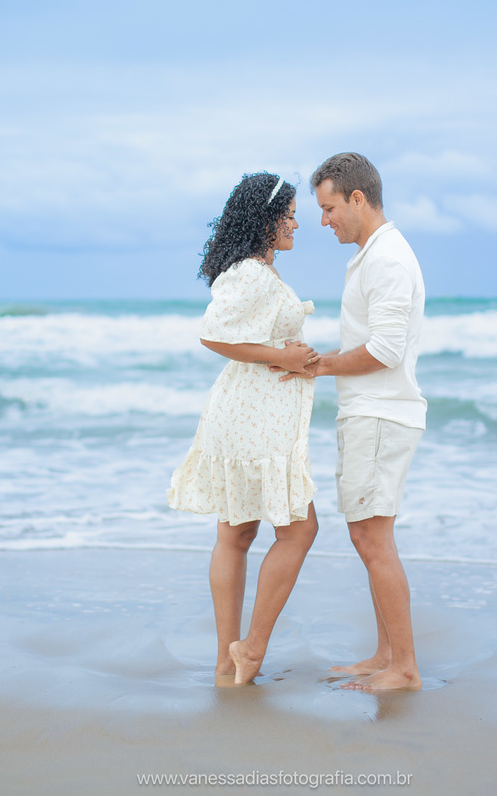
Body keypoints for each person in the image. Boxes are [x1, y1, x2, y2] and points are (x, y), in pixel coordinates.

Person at [167, 172, 321, 686]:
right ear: (267, 218)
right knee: (299, 529)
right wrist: (285, 357)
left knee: (236, 535)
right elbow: (215, 335)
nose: (297, 223)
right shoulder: (252, 272)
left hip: (249, 415)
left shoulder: (254, 270)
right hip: (255, 420)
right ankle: (248, 651)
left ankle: (226, 663)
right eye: (291, 213)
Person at [280, 152, 426, 691]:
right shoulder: (375, 254)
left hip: (381, 413)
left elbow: (385, 349)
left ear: (357, 199)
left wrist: (318, 366)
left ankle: (405, 668)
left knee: (371, 538)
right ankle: (386, 655)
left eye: (329, 208)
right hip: (373, 412)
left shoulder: (387, 259)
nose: (323, 221)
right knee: (372, 534)